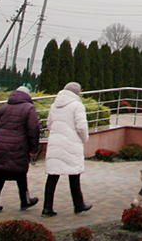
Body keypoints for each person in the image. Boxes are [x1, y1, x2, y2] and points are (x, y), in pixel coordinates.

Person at [0, 86, 41, 213]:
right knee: (21, 173)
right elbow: (33, 130)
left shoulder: (4, 107)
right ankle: (25, 201)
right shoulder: (29, 108)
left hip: (0, 144)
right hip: (18, 145)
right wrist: (34, 149)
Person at [42, 82, 92, 216]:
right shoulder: (77, 106)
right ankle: (79, 205)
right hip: (71, 143)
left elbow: (49, 124)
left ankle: (47, 208)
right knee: (74, 175)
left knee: (52, 176)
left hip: (55, 143)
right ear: (77, 93)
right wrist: (84, 139)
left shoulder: (54, 105)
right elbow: (81, 127)